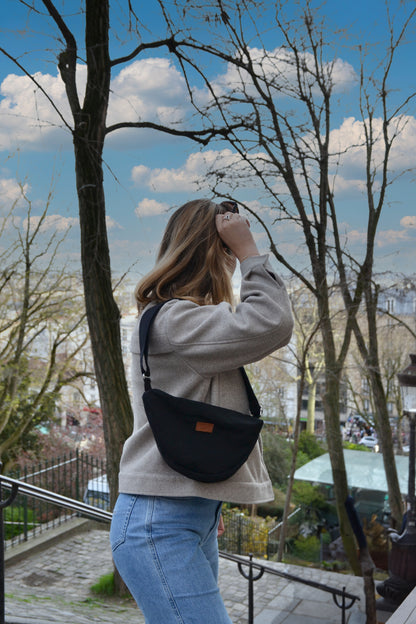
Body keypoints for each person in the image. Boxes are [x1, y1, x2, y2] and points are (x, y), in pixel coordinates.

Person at [110, 198, 294, 624]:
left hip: (183, 515)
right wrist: (250, 251)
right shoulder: (177, 322)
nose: (232, 266)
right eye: (226, 253)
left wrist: (207, 495)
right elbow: (273, 322)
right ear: (211, 252)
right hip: (159, 524)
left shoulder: (179, 319)